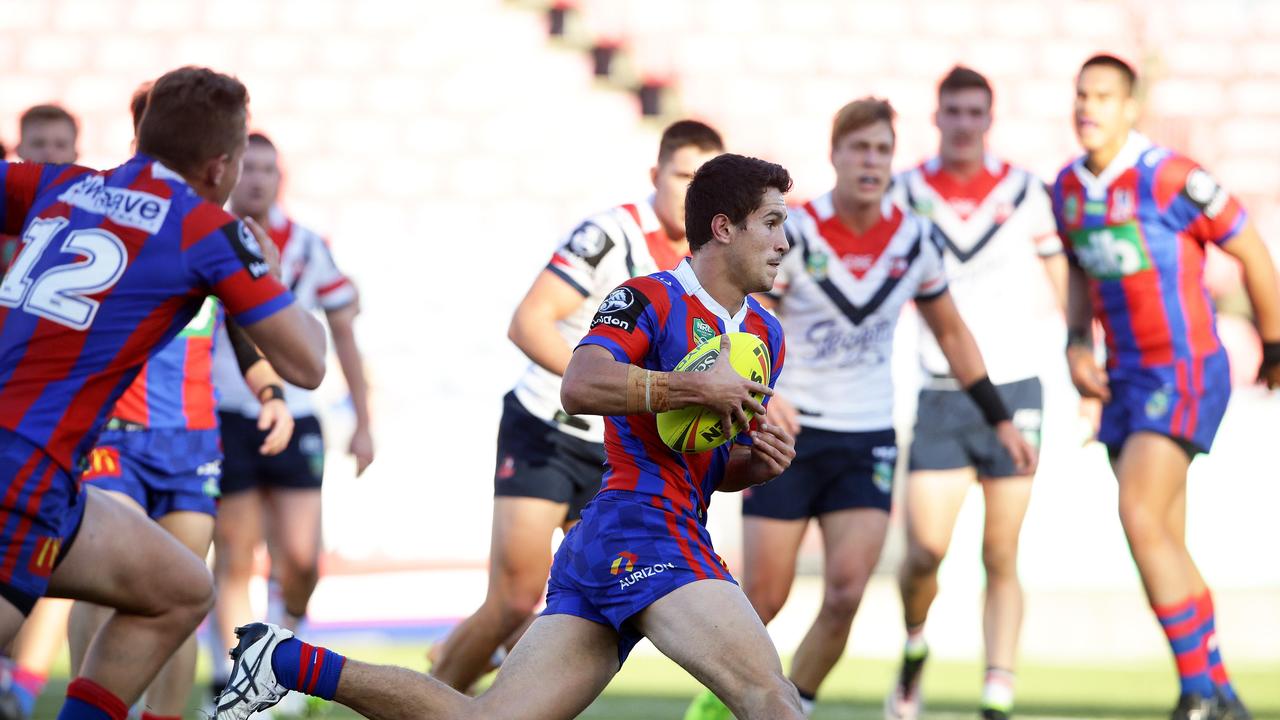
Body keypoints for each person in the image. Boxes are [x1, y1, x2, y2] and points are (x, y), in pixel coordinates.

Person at [216, 153, 806, 720]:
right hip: (643, 527)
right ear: (724, 227)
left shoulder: (766, 335)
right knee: (772, 701)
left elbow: (703, 458)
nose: (785, 242)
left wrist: (752, 466)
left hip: (639, 531)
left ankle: (286, 661)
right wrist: (693, 388)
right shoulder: (646, 297)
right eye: (773, 223)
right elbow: (581, 383)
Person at [685, 98, 1036, 720]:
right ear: (836, 156)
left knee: (847, 591)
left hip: (867, 434)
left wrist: (999, 417)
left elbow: (951, 333)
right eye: (859, 148)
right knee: (764, 595)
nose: (870, 161)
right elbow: (742, 311)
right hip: (785, 431)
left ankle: (794, 705)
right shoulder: (794, 232)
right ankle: (715, 707)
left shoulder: (914, 238)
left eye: (881, 150)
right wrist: (767, 391)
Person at [0, 65, 327, 719]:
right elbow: (310, 362)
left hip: (53, 474)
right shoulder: (209, 230)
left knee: (181, 586)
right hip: (22, 467)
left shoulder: (59, 182)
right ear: (220, 167)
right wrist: (259, 257)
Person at [428, 119, 724, 693]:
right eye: (682, 176)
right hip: (549, 427)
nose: (691, 194)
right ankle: (436, 696)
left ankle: (473, 677)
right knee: (515, 598)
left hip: (620, 453)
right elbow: (529, 321)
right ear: (654, 175)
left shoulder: (708, 262)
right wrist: (602, 387)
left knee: (572, 618)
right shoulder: (610, 234)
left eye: (703, 183)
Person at [1054, 54, 1280, 720]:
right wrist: (1074, 342)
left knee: (1139, 515)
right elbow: (1076, 267)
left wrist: (1273, 341)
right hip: (1123, 376)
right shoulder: (1067, 188)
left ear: (1131, 108)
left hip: (1183, 368)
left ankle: (1196, 692)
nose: (1088, 107)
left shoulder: (1173, 178)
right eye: (1080, 95)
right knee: (1160, 538)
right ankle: (1221, 690)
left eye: (1103, 96)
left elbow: (1252, 251)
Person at [885, 67, 1067, 720]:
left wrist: (1082, 351)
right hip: (938, 388)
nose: (963, 123)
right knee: (924, 553)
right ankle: (914, 646)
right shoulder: (905, 191)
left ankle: (998, 693)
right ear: (936, 117)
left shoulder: (1025, 192)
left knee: (1001, 551)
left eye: (974, 112)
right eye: (952, 111)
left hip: (1016, 383)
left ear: (990, 118)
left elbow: (1061, 275)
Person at [207, 132, 373, 697]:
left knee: (301, 558)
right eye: (246, 168)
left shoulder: (306, 245)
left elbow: (345, 332)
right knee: (235, 551)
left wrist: (365, 421)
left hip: (300, 411)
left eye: (266, 169)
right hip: (228, 410)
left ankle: (281, 651)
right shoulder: (208, 238)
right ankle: (234, 678)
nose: (256, 179)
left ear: (281, 179)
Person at [0, 103, 84, 720]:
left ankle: (21, 689)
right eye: (39, 145)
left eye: (62, 145)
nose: (51, 156)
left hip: (42, 434)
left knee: (54, 560)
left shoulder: (85, 236)